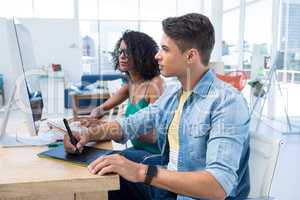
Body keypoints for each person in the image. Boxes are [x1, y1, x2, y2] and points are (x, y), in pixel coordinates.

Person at [65, 13, 250, 200]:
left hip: (195, 195)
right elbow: (129, 125)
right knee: (106, 171)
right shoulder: (173, 95)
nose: (157, 56)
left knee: (118, 172)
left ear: (190, 56)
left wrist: (141, 171)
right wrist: (86, 134)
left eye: (165, 49)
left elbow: (217, 186)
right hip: (171, 186)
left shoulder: (226, 102)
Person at [89, 30, 164, 163]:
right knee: (94, 156)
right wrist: (87, 120)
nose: (122, 56)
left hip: (155, 155)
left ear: (142, 55)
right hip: (138, 151)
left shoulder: (155, 84)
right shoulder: (129, 84)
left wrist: (110, 126)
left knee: (103, 160)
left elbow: (153, 135)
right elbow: (101, 109)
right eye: (120, 51)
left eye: (128, 52)